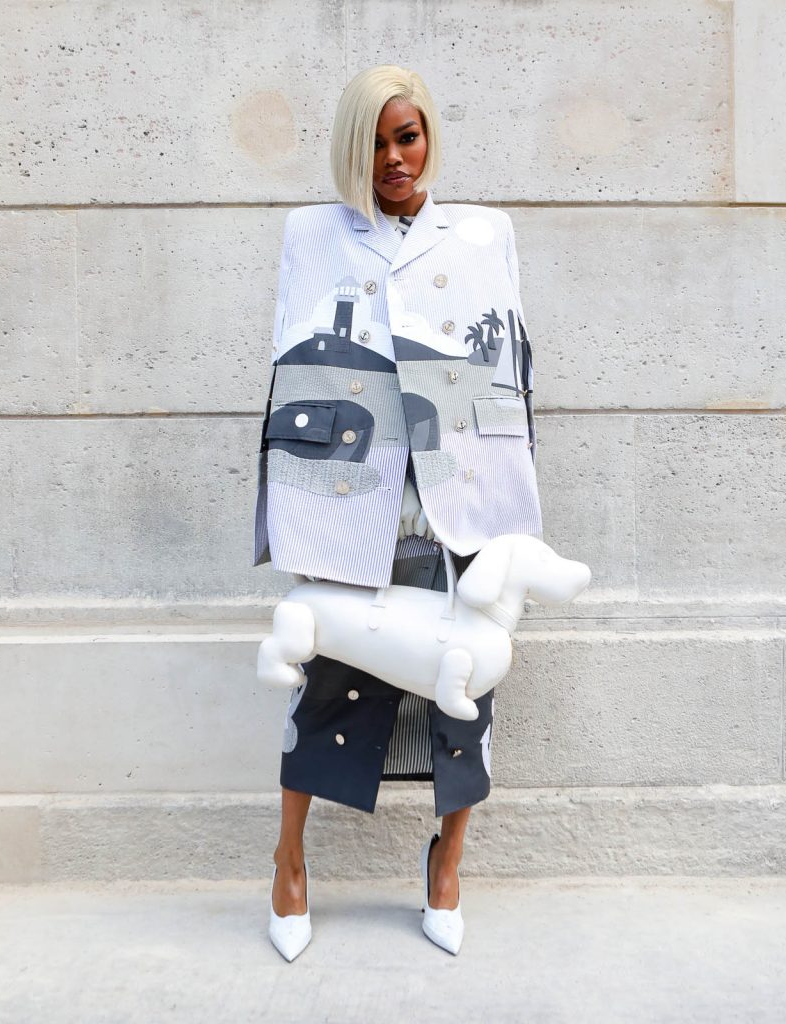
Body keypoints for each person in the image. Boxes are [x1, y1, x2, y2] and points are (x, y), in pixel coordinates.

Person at [255, 65, 543, 960]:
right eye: (376, 140)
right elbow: (292, 364)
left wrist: (506, 491)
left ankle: (447, 863)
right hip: (352, 486)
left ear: (428, 138)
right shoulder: (312, 233)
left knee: (466, 686)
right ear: (353, 145)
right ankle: (288, 861)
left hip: (459, 486)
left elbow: (508, 365)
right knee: (326, 678)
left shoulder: (484, 232)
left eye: (407, 136)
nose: (393, 157)